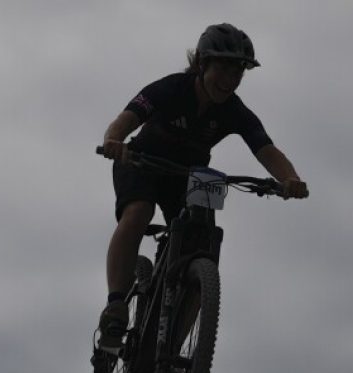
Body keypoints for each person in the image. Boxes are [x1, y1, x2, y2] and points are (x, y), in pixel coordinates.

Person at [97, 23, 308, 346]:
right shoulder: (170, 89)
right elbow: (127, 118)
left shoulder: (235, 111)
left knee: (203, 246)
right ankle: (115, 306)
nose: (230, 80)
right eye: (222, 68)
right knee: (139, 212)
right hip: (141, 163)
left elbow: (267, 150)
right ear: (201, 64)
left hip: (186, 177)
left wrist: (290, 180)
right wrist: (114, 140)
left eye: (238, 71)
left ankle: (175, 352)